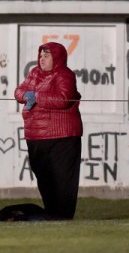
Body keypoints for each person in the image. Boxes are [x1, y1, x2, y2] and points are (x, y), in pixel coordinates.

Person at [14, 42, 82, 220]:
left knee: (63, 181)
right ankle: (52, 215)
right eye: (41, 55)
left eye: (46, 55)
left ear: (57, 58)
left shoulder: (64, 75)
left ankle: (63, 217)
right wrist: (26, 95)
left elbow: (63, 99)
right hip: (36, 136)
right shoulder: (34, 73)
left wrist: (36, 96)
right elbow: (19, 91)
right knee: (44, 180)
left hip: (61, 136)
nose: (41, 59)